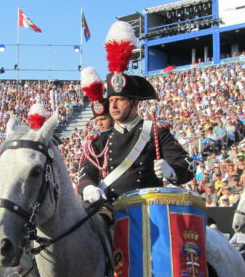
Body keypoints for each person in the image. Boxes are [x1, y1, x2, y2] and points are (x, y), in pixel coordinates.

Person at [77, 21, 195, 204]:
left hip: (145, 209)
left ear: (135, 102)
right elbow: (85, 174)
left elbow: (188, 165)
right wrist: (89, 187)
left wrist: (171, 171)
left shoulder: (156, 132)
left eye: (120, 100)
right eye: (112, 101)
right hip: (110, 210)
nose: (114, 107)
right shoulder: (100, 141)